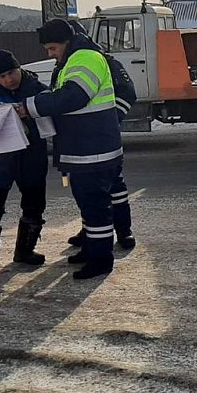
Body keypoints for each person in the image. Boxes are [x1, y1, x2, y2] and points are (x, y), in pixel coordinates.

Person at [18, 19, 123, 280]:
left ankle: (101, 260)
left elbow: (73, 96)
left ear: (66, 42)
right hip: (86, 148)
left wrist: (32, 106)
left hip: (93, 150)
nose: (50, 54)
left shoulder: (85, 58)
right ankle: (91, 249)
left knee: (96, 208)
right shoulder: (75, 59)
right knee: (88, 206)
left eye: (53, 48)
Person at [0, 47, 49, 279]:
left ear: (19, 68)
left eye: (11, 73)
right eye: (2, 76)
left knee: (35, 203)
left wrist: (30, 114)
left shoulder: (36, 88)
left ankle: (25, 250)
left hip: (31, 154)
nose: (8, 80)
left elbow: (49, 113)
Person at [64, 19, 137, 253]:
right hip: (83, 141)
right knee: (86, 192)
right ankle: (90, 231)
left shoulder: (101, 60)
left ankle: (124, 231)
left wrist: (112, 118)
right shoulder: (68, 63)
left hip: (103, 139)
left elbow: (128, 92)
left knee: (115, 189)